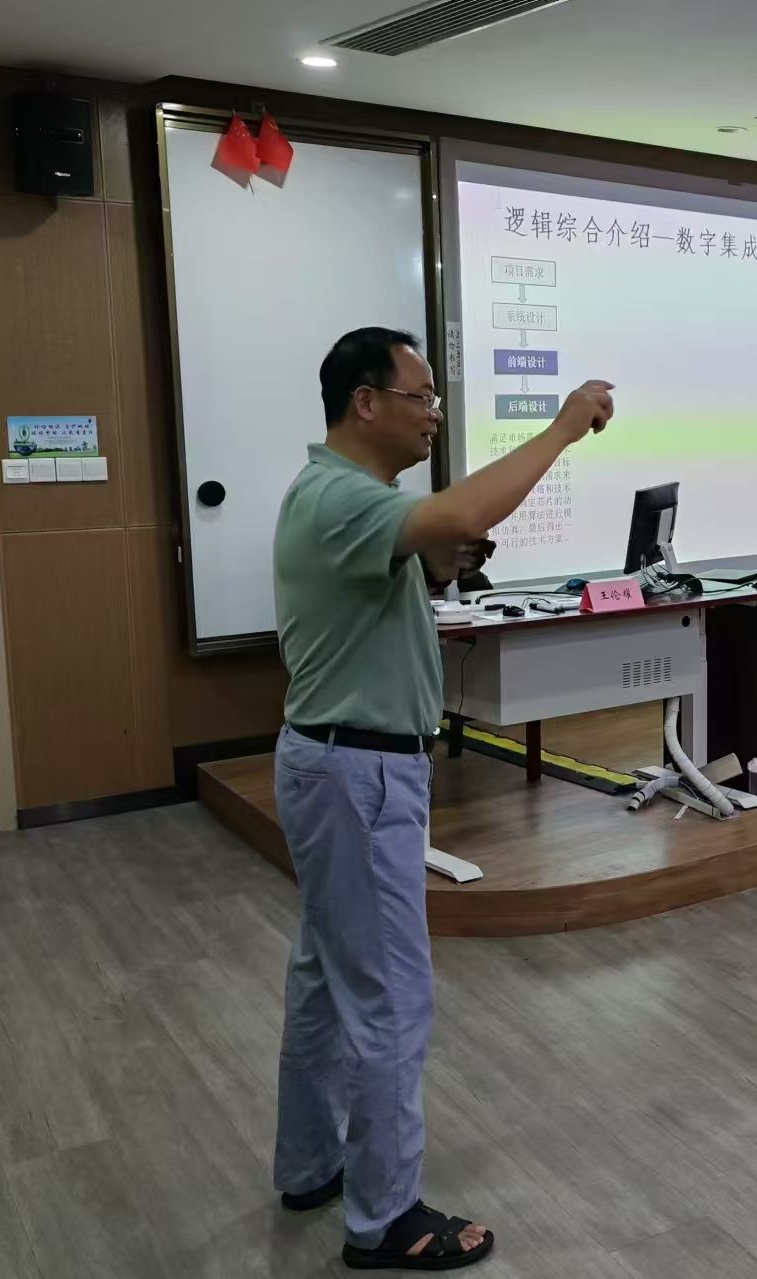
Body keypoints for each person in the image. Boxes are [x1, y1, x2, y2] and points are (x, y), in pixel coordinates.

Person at [269, 327, 613, 1270]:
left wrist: (430, 566)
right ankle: (385, 1219)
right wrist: (563, 426)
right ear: (365, 402)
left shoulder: (338, 496)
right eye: (420, 397)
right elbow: (459, 508)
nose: (433, 415)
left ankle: (310, 1163)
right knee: (389, 996)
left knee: (326, 977)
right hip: (357, 771)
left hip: (335, 762)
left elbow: (411, 560)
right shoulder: (341, 496)